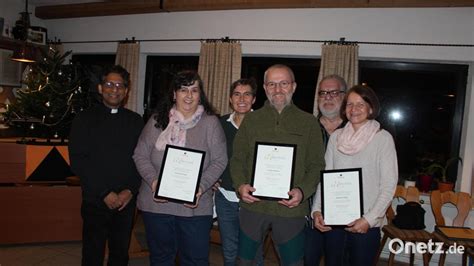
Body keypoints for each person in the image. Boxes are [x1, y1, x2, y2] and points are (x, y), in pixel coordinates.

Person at [231, 64, 326, 265]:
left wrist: (302, 191)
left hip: (291, 210)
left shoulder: (309, 123)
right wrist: (240, 186)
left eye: (284, 83)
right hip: (253, 207)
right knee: (244, 261)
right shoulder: (251, 120)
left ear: (294, 86)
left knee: (293, 263)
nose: (278, 89)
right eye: (272, 84)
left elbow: (316, 164)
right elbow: (237, 158)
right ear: (265, 88)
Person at [133, 70, 227, 265]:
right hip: (156, 204)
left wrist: (200, 187)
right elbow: (140, 155)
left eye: (194, 90)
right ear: (174, 94)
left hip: (195, 207)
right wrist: (154, 181)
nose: (189, 95)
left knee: (196, 260)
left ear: (200, 94)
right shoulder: (157, 120)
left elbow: (220, 160)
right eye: (183, 90)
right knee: (161, 259)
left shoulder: (211, 123)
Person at [311, 85, 398, 266]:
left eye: (360, 104)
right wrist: (317, 210)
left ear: (371, 108)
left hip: (365, 225)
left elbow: (388, 186)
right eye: (350, 104)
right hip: (334, 222)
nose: (354, 109)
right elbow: (325, 178)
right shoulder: (336, 137)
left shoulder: (383, 139)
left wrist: (369, 219)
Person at [69, 65, 144, 266]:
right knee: (92, 253)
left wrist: (129, 190)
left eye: (120, 85)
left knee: (120, 253)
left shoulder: (135, 121)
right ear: (101, 88)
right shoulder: (83, 119)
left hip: (126, 201)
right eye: (110, 84)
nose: (115, 89)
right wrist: (104, 193)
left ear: (126, 91)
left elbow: (141, 159)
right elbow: (78, 161)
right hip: (95, 200)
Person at [215, 78, 259, 266]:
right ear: (230, 99)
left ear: (254, 99)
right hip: (225, 197)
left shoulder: (264, 125)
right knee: (230, 249)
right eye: (237, 94)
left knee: (253, 252)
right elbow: (210, 153)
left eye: (247, 94)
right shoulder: (219, 124)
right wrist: (211, 178)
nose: (242, 99)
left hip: (255, 200)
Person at [304, 74, 348, 266]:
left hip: (344, 215)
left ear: (345, 97)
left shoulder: (356, 131)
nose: (327, 97)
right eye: (323, 93)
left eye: (334, 92)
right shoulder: (305, 128)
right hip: (309, 214)